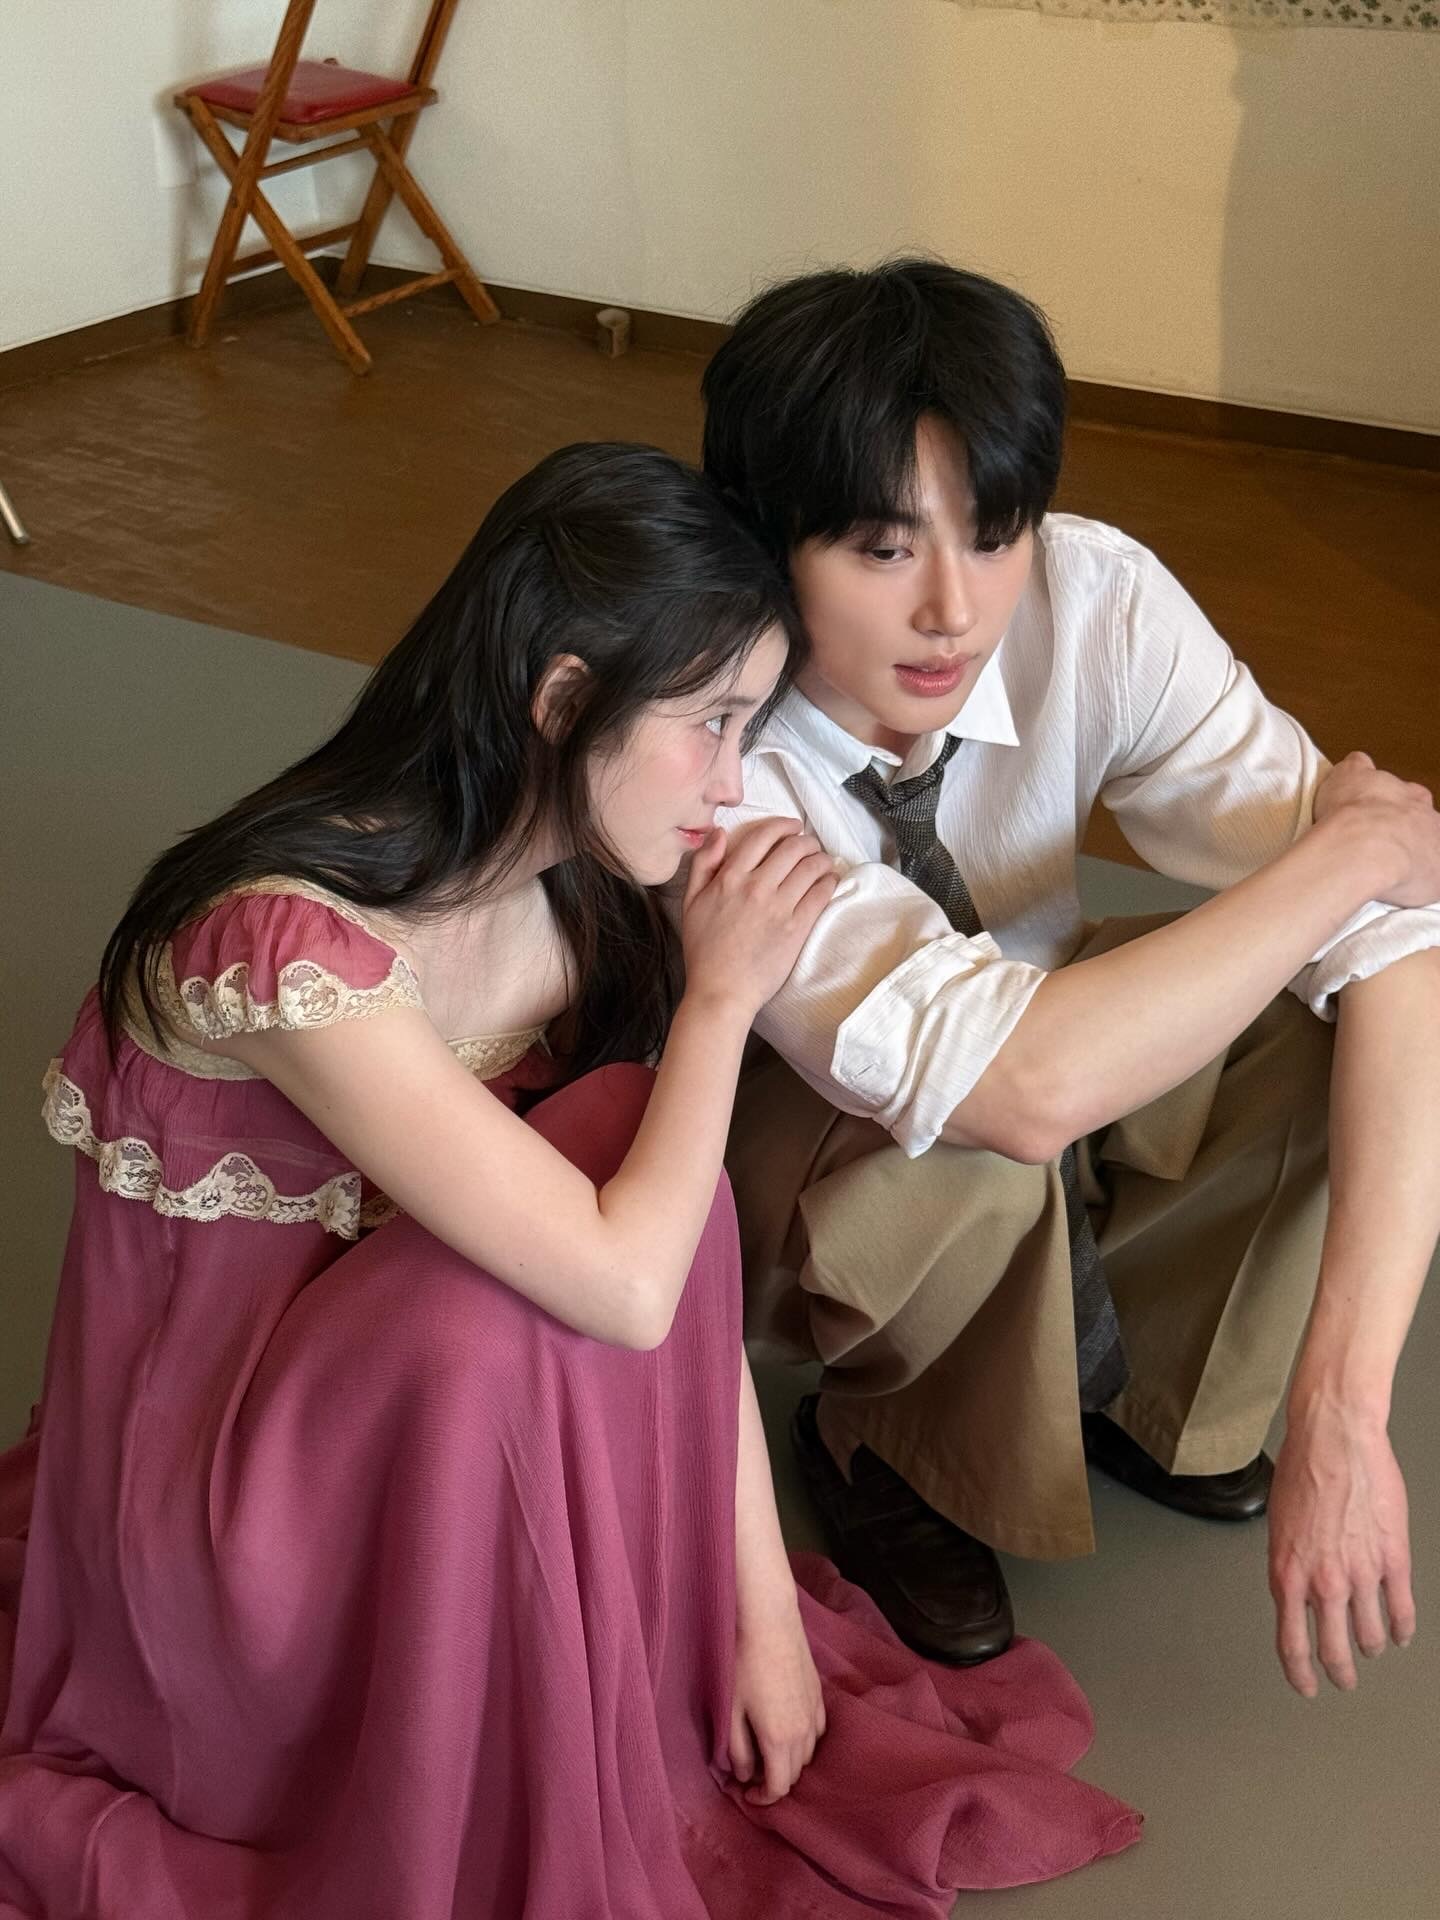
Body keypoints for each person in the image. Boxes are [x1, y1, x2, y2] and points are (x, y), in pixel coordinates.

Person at [0, 443, 1141, 1920]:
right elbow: (628, 1287)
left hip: (384, 1435)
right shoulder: (286, 950)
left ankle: (559, 1653)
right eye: (711, 726)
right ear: (558, 701)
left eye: (751, 727)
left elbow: (683, 1254)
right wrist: (722, 1000)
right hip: (226, 1529)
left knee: (629, 1144)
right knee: (554, 1248)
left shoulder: (578, 896)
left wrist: (758, 1617)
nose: (734, 786)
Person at [699, 259, 1440, 1693]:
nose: (953, 609)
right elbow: (1011, 1088)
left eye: (994, 535)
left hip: (1038, 1035)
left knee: (1313, 1010)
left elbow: (1404, 938)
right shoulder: (716, 731)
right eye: (881, 549)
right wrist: (1344, 855)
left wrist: (1345, 1408)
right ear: (767, 539)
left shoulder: (1094, 597)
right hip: (801, 1146)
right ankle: (885, 1445)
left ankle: (1154, 1397)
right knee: (974, 1141)